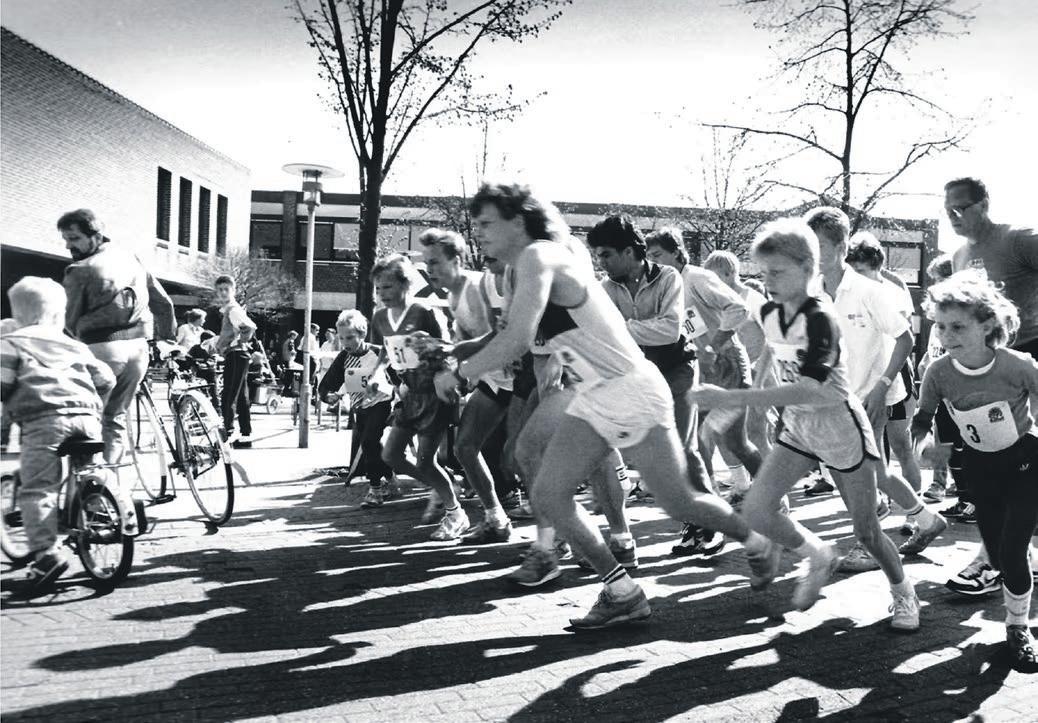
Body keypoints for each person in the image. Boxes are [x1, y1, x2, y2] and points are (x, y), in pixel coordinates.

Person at [433, 182, 775, 630]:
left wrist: (461, 374)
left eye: (485, 222)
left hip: (630, 388)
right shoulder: (521, 267)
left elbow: (518, 338)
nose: (477, 231)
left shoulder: (540, 255)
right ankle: (622, 592)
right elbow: (510, 335)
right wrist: (455, 353)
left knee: (679, 501)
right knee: (548, 492)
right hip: (594, 393)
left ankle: (758, 541)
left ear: (517, 221)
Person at [692, 218, 921, 631]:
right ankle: (818, 555)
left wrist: (731, 399)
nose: (768, 281)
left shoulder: (820, 317)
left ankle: (904, 592)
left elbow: (814, 389)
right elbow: (769, 353)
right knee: (758, 508)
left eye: (777, 272)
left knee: (866, 532)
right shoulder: (770, 311)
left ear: (806, 268)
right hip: (799, 428)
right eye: (764, 273)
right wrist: (732, 409)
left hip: (841, 427)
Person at [807, 207, 946, 571]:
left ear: (841, 247)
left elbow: (904, 339)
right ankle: (926, 519)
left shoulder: (869, 291)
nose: (812, 253)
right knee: (871, 472)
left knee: (857, 474)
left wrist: (882, 388)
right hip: (831, 400)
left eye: (820, 245)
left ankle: (869, 544)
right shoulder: (811, 292)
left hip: (870, 396)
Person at [911, 273, 1038, 667]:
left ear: (986, 325)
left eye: (958, 327)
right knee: (998, 556)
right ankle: (1018, 560)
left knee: (1012, 552)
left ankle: (1018, 628)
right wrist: (924, 447)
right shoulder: (938, 372)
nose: (947, 336)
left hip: (1025, 462)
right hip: (981, 467)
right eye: (940, 326)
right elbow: (922, 418)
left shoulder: (1017, 365)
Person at [588, 216, 711, 559]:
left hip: (677, 368)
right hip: (638, 376)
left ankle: (707, 525)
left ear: (629, 252)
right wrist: (630, 330)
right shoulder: (605, 288)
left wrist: (619, 328)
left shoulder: (668, 277)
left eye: (606, 254)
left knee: (683, 449)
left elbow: (670, 331)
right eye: (597, 256)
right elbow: (601, 337)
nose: (601, 262)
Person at [0, 277, 123, 594]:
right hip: (87, 419)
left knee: (38, 489)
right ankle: (97, 506)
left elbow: (3, 386)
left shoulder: (11, 342)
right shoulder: (74, 344)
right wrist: (96, 407)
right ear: (58, 315)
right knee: (89, 469)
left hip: (43, 422)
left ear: (17, 315)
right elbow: (106, 379)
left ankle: (47, 555)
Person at [946, 176, 1038, 593]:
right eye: (947, 209)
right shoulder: (959, 256)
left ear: (983, 205)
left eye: (961, 207)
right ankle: (1008, 554)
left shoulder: (1018, 240)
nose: (953, 215)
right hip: (986, 371)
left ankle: (995, 559)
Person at [645, 228, 760, 555]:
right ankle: (707, 521)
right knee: (699, 445)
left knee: (731, 443)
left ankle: (772, 502)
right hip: (697, 369)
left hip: (727, 363)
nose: (653, 262)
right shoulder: (662, 286)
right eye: (648, 257)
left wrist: (714, 346)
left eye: (658, 255)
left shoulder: (696, 277)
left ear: (677, 253)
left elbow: (738, 308)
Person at [420, 228, 514, 544]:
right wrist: (440, 352)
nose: (429, 269)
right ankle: (496, 520)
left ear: (457, 260)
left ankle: (561, 534)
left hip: (516, 379)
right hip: (493, 380)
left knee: (521, 457)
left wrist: (457, 360)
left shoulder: (475, 287)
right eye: (426, 263)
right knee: (465, 447)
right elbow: (463, 343)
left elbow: (497, 338)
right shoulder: (452, 296)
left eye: (435, 262)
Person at [60, 208, 175, 465]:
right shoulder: (130, 257)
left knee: (85, 420)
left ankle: (88, 480)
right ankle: (111, 477)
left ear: (95, 235)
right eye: (66, 239)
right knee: (115, 417)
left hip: (101, 349)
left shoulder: (79, 270)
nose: (68, 246)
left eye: (74, 238)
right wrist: (168, 338)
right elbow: (162, 302)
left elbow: (68, 322)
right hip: (138, 350)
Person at [368, 254, 468, 540]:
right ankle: (445, 486)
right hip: (409, 393)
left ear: (405, 284)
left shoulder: (423, 311)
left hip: (434, 393)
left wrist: (432, 351)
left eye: (388, 287)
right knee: (390, 455)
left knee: (426, 461)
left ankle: (455, 513)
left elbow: (450, 348)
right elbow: (385, 351)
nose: (382, 294)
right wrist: (377, 375)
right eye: (378, 288)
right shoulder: (379, 318)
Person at [845, 232, 925, 532]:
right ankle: (879, 506)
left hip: (895, 374)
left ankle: (915, 512)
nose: (855, 276)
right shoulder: (847, 291)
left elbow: (901, 338)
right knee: (871, 452)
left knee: (901, 444)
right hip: (862, 378)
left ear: (876, 267)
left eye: (861, 270)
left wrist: (886, 380)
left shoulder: (892, 290)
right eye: (852, 270)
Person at [703, 250, 775, 463]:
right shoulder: (718, 300)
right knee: (727, 433)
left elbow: (774, 337)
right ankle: (742, 481)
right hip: (732, 376)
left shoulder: (753, 299)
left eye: (713, 277)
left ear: (728, 274)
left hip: (759, 374)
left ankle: (773, 482)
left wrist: (760, 375)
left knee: (756, 433)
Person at [318, 309, 395, 499]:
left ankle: (375, 489)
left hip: (382, 403)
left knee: (368, 441)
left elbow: (397, 378)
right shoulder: (344, 357)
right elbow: (328, 383)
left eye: (350, 337)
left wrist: (400, 401)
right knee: (370, 443)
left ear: (362, 334)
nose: (346, 343)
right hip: (360, 408)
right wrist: (328, 396)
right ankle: (389, 475)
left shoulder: (378, 352)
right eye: (341, 338)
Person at [212, 275, 258, 449]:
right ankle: (246, 435)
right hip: (238, 355)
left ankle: (227, 433)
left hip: (237, 354)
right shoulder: (228, 310)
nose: (223, 293)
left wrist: (238, 342)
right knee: (241, 397)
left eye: (226, 289)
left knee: (229, 395)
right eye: (220, 290)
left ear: (233, 290)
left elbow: (249, 327)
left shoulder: (233, 310)